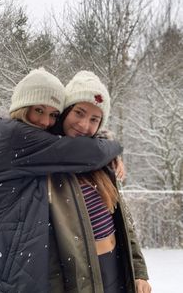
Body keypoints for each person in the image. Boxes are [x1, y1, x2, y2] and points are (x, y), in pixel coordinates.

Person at [0, 68, 123, 293]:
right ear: (22, 107)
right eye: (38, 110)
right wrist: (114, 145)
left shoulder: (37, 150)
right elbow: (89, 153)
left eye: (53, 115)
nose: (45, 121)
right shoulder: (12, 135)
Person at [48, 71, 152, 293]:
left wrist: (139, 270)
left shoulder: (101, 164)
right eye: (79, 112)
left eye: (94, 119)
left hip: (115, 266)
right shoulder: (48, 163)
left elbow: (124, 222)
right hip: (79, 276)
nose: (84, 125)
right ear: (65, 111)